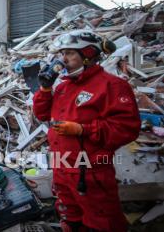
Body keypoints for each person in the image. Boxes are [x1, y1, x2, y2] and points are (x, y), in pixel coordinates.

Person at [32, 30, 140, 232]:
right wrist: (45, 90)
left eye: (70, 53)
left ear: (89, 54)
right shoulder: (65, 87)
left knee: (102, 221)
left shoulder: (112, 86)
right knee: (71, 219)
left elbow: (127, 128)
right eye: (63, 53)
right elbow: (42, 114)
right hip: (62, 168)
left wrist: (83, 129)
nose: (63, 59)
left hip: (90, 173)